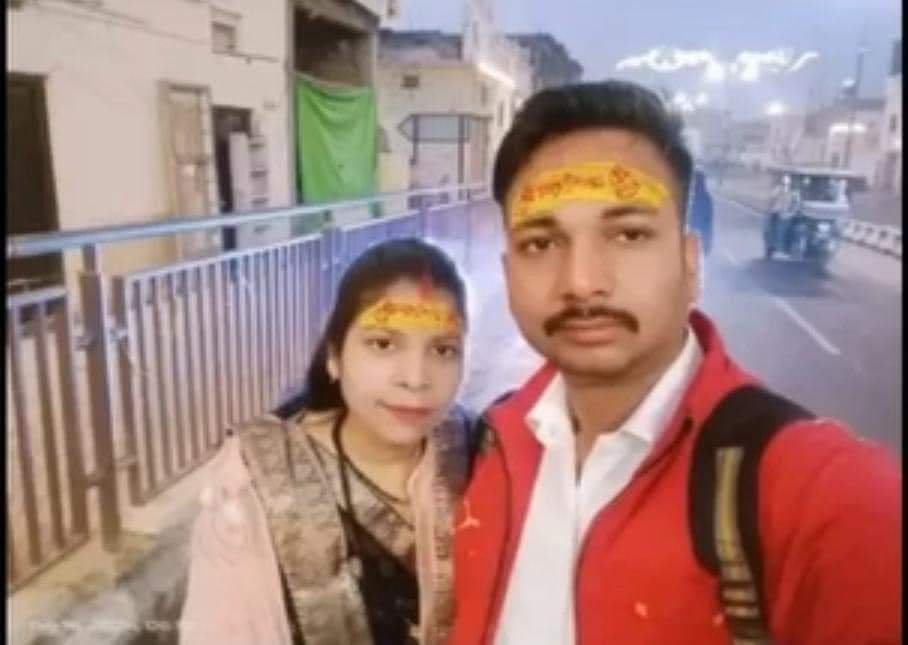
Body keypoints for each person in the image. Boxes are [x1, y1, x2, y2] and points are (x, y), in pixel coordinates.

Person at [449, 81, 900, 645]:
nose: (581, 281)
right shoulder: (491, 446)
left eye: (628, 234)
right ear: (508, 270)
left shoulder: (830, 501)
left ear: (690, 264)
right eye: (540, 244)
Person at [180, 238, 475, 645]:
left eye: (443, 350)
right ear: (335, 356)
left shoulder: (480, 451)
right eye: (383, 344)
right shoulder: (254, 484)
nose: (415, 378)